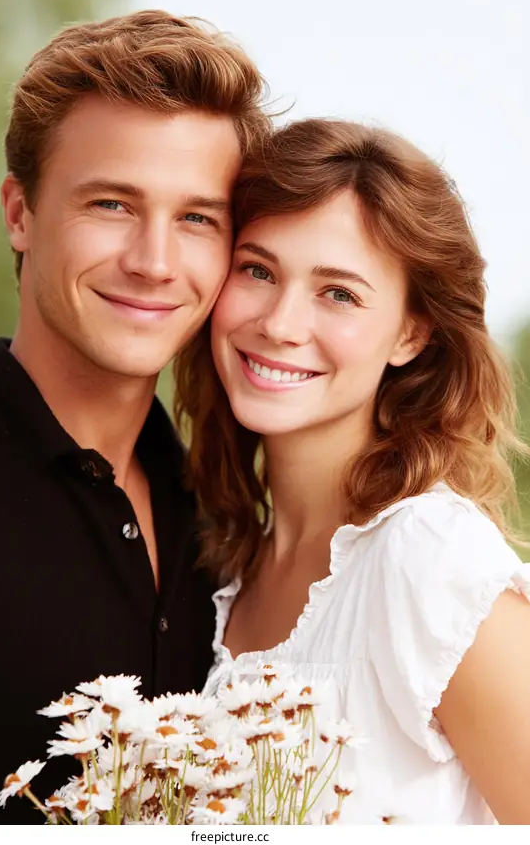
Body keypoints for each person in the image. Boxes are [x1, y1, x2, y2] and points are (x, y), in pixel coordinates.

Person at [0, 9, 270, 824]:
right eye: (113, 204)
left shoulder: (228, 519)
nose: (154, 262)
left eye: (196, 218)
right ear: (20, 212)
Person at [175, 118, 530, 824]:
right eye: (258, 270)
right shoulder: (222, 566)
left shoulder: (430, 560)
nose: (279, 322)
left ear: (411, 333)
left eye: (337, 293)